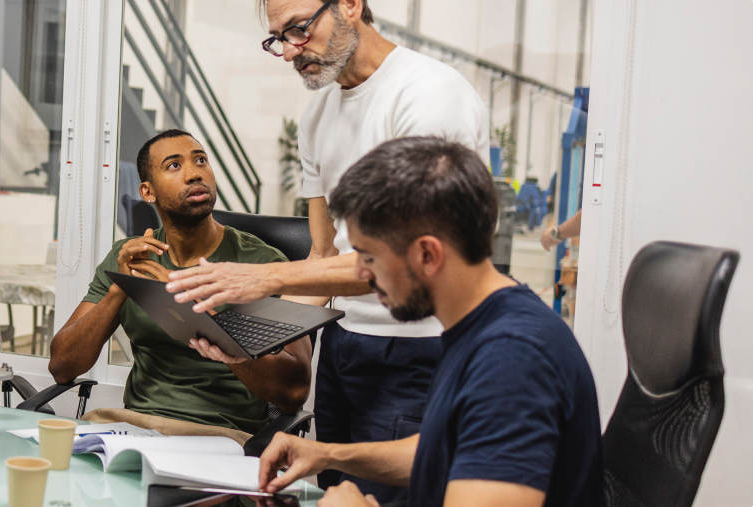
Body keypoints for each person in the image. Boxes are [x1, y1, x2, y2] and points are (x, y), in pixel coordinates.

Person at [166, 0, 490, 500]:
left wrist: (261, 278)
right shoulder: (318, 114)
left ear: (351, 6)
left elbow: (408, 262)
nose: (289, 51)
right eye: (277, 38)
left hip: (418, 347)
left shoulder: (428, 95)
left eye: (298, 29)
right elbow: (323, 255)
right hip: (344, 345)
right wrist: (245, 339)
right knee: (335, 495)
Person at [256, 137, 603, 507]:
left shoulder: (513, 360)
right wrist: (329, 455)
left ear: (427, 254)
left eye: (368, 257)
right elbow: (446, 447)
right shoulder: (482, 319)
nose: (359, 274)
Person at [47, 129, 312, 435]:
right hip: (133, 426)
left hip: (220, 434)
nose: (194, 174)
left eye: (201, 160)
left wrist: (202, 318)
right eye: (174, 165)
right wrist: (121, 288)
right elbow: (62, 367)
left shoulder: (262, 264)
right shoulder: (129, 258)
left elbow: (294, 394)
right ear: (148, 192)